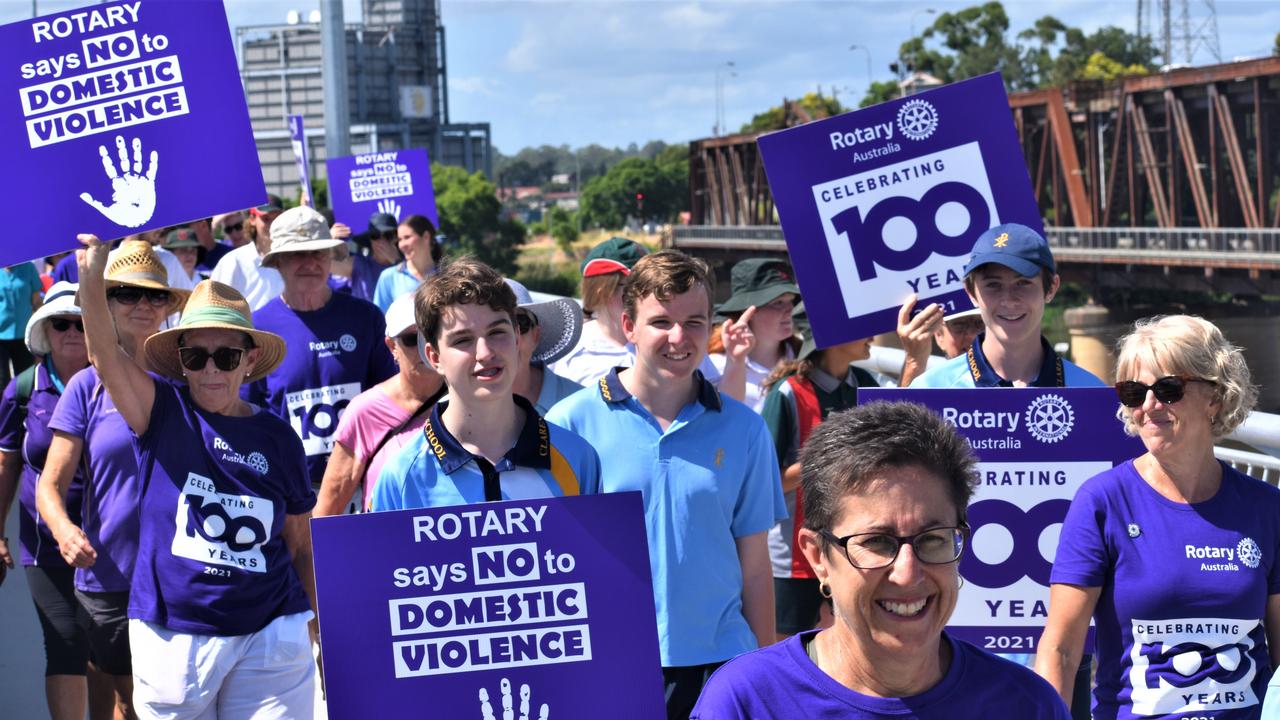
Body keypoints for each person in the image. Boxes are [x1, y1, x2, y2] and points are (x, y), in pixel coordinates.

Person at [691, 402, 1071, 719]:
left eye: (933, 539)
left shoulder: (1026, 705)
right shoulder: (747, 703)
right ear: (817, 557)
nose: (908, 573)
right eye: (877, 542)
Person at [75, 235, 318, 718]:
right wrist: (90, 276)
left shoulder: (279, 438)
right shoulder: (161, 410)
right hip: (173, 636)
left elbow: (300, 541)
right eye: (196, 356)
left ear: (249, 361)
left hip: (269, 631)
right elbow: (103, 355)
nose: (211, 369)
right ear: (181, 361)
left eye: (226, 356)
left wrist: (315, 621)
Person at [547, 250, 785, 719]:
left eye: (694, 321)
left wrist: (764, 668)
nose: (679, 338)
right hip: (614, 659)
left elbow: (755, 566)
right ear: (629, 326)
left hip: (724, 662)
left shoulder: (745, 429)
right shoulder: (568, 425)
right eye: (661, 322)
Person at [1037, 314, 1277, 719]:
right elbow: (1060, 650)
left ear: (1215, 397)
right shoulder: (1102, 502)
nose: (1148, 406)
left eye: (1167, 389)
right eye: (1133, 392)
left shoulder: (1266, 508)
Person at [38, 241, 189, 720]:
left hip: (185, 572)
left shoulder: (194, 377)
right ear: (105, 303)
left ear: (168, 305)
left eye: (155, 296)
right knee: (129, 703)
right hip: (111, 576)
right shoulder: (85, 386)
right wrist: (63, 530)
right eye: (126, 294)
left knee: (172, 704)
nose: (143, 305)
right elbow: (51, 483)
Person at [371, 258, 600, 511]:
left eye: (497, 332)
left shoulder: (577, 458)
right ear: (434, 357)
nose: (485, 352)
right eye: (462, 340)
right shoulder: (402, 476)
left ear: (516, 338)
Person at [0, 282, 103, 720]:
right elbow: (6, 465)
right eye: (61, 323)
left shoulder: (118, 383)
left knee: (107, 650)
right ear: (45, 330)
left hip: (110, 543)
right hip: (44, 544)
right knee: (63, 643)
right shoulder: (22, 391)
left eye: (81, 322)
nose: (72, 331)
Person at [245, 206, 397, 502]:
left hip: (364, 485)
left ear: (330, 257)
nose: (310, 263)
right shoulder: (257, 328)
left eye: (318, 252)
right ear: (277, 263)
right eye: (297, 254)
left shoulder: (366, 318)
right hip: (289, 491)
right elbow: (246, 413)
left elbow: (393, 398)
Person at [760, 306, 878, 642]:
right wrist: (826, 457)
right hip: (791, 559)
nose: (873, 333)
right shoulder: (786, 393)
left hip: (853, 551)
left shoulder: (866, 385)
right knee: (783, 654)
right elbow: (765, 482)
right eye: (861, 323)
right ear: (832, 336)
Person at [911, 223, 1103, 389]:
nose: (1008, 300)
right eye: (993, 285)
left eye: (1023, 283)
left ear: (1051, 288)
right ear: (971, 293)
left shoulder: (1091, 393)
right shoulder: (931, 391)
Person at [315, 294, 445, 516]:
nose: (425, 347)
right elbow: (328, 510)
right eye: (412, 339)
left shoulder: (467, 399)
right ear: (392, 346)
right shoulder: (365, 411)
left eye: (431, 334)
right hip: (387, 544)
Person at [550, 237, 721, 388]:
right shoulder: (569, 350)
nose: (647, 295)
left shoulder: (679, 345)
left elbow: (717, 398)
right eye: (634, 287)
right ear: (601, 291)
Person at [708, 259, 801, 413]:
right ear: (749, 311)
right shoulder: (716, 367)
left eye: (791, 301)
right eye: (778, 302)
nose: (790, 309)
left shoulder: (806, 361)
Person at [504, 278, 583, 415]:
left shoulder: (581, 403)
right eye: (493, 332)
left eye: (520, 323)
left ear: (536, 335)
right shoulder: (459, 403)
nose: (511, 339)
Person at [210, 195, 286, 310]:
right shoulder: (233, 261)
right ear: (252, 220)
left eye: (276, 219)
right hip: (244, 327)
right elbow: (216, 307)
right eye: (266, 219)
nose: (272, 224)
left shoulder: (293, 259)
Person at [372, 214, 440, 312]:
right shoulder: (388, 277)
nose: (402, 245)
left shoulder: (446, 275)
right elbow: (379, 320)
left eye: (407, 237)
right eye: (399, 239)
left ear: (426, 236)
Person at [0, 260, 43, 388]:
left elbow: (37, 302)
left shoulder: (28, 267)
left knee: (26, 380)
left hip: (23, 334)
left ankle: (25, 408)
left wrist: (42, 328)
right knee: (1, 381)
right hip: (0, 336)